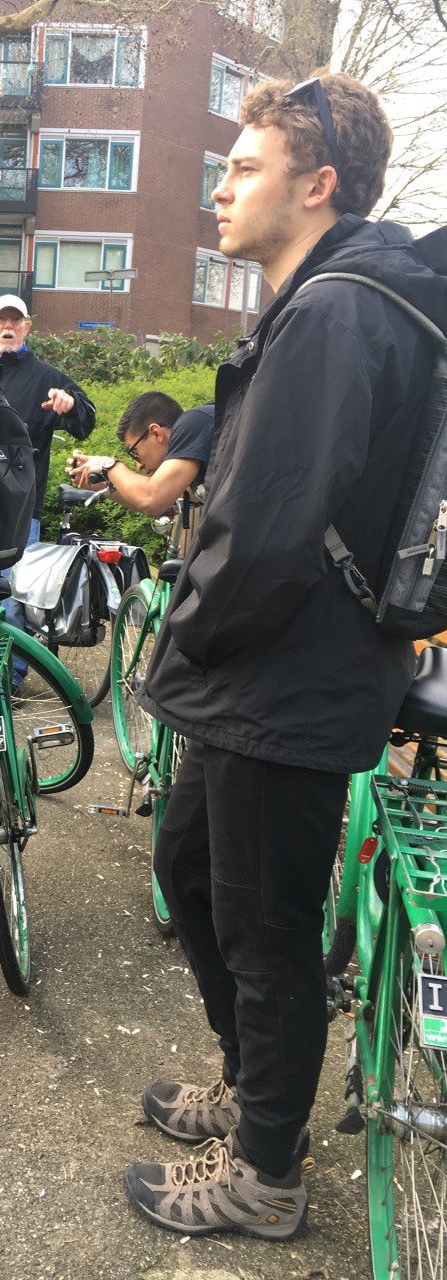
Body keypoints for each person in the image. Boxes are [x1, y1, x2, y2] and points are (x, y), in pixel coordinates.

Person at [120, 73, 447, 1240]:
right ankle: (254, 1086)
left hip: (281, 676)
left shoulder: (336, 312)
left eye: (243, 167)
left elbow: (260, 534)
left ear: (316, 185)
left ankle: (263, 1170)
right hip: (262, 676)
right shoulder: (323, 301)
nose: (219, 188)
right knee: (196, 878)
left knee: (263, 926)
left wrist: (183, 638)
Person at [0, 294, 96, 688]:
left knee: (13, 596)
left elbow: (87, 421)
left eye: (16, 320)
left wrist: (70, 405)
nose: (9, 326)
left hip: (21, 508)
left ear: (27, 327)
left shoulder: (46, 376)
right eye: (2, 319)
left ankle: (10, 680)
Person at [66, 390, 213, 519]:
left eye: (134, 452)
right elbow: (166, 504)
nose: (139, 466)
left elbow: (152, 500)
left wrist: (108, 465)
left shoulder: (194, 422)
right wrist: (102, 485)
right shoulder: (202, 452)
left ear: (155, 433)